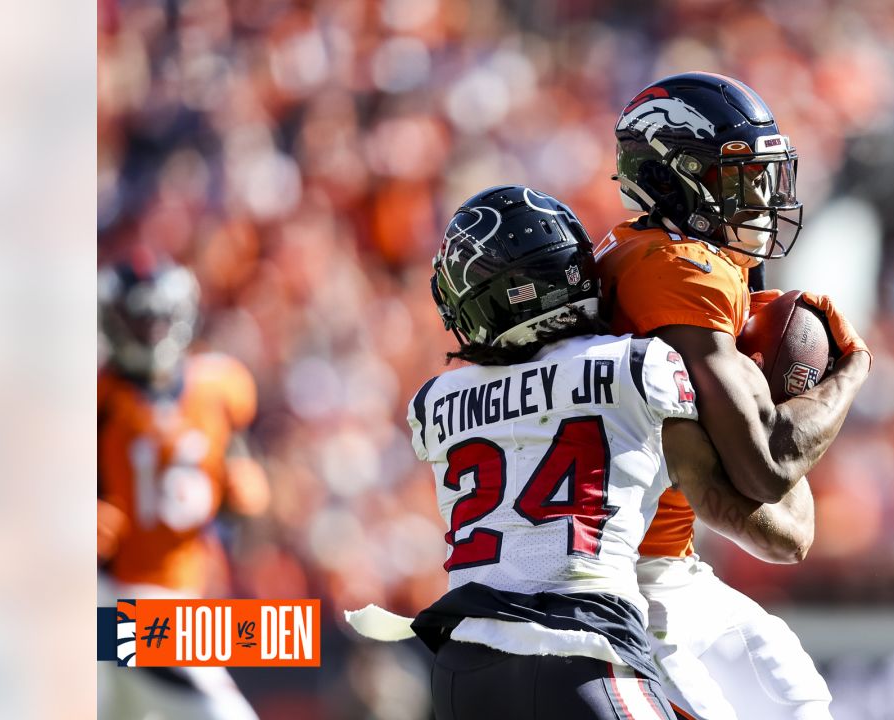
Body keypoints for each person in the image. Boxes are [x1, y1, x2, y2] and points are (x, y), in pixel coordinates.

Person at [346, 185, 815, 720]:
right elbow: (755, 517)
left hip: (463, 672)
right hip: (581, 654)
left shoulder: (434, 403)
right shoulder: (640, 367)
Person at [597, 71, 874, 720]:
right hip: (629, 572)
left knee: (799, 698)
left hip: (661, 557)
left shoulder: (635, 252)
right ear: (674, 176)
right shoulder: (681, 269)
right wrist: (850, 374)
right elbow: (767, 470)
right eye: (741, 179)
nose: (761, 200)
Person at [97, 249, 268, 720]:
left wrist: (239, 493)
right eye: (137, 320)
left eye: (156, 319)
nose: (148, 331)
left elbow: (241, 493)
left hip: (182, 597)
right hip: (117, 602)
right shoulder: (98, 398)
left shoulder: (218, 387)